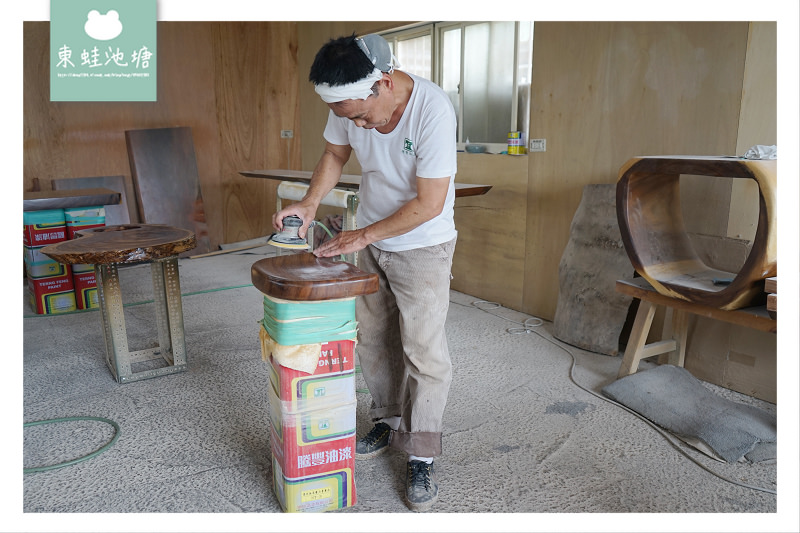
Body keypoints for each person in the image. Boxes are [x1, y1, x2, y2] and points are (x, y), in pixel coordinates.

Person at [271, 33, 458, 512]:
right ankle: (388, 419)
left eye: (359, 116)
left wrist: (361, 236)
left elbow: (430, 203)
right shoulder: (348, 106)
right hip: (373, 236)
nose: (355, 125)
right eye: (346, 117)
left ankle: (421, 455)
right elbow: (335, 155)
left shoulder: (432, 111)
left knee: (423, 347)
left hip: (422, 244)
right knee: (373, 334)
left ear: (385, 84)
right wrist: (310, 203)